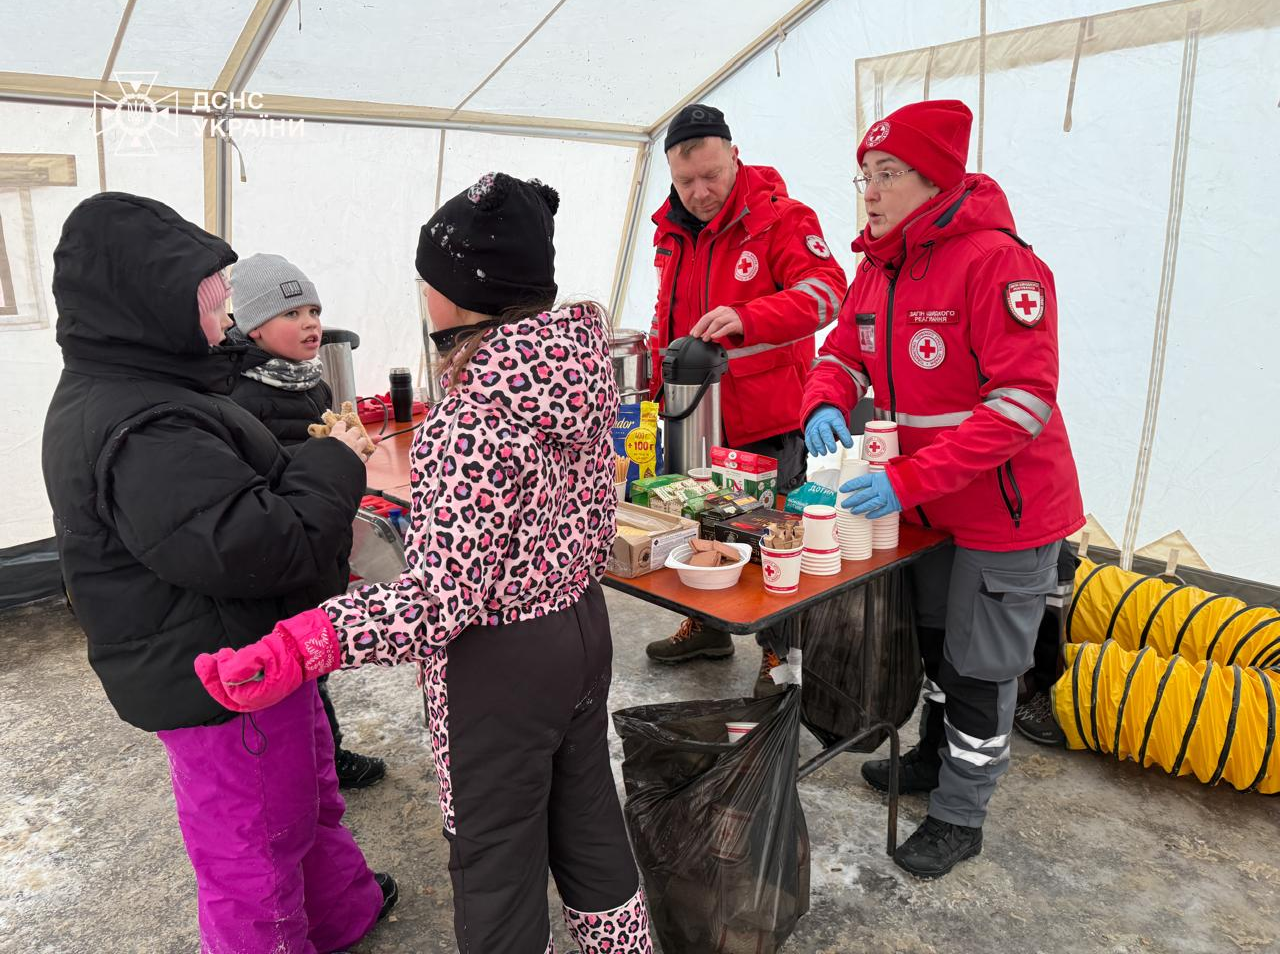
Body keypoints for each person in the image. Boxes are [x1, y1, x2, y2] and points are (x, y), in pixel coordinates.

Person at [197, 173, 653, 953]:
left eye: (426, 281)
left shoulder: (476, 416)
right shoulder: (573, 373)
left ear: (455, 294)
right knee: (587, 817)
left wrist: (307, 640)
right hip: (581, 627)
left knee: (496, 860)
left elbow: (441, 601)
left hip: (501, 664)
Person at [41, 192, 395, 952]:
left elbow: (233, 490)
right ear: (150, 307)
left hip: (252, 650)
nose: (223, 325)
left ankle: (341, 912)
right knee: (253, 849)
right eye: (210, 308)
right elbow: (258, 545)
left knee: (307, 798)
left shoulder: (158, 385)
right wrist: (333, 461)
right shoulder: (144, 424)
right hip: (215, 675)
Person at [801, 100, 1085, 879]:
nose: (871, 190)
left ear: (937, 180)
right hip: (923, 509)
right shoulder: (879, 264)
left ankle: (962, 814)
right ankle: (931, 757)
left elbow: (1020, 406)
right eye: (865, 175)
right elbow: (842, 352)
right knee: (932, 646)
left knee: (981, 669)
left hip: (1005, 512)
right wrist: (825, 397)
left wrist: (906, 479)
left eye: (889, 174)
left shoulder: (999, 263)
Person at [643, 103, 847, 688]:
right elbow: (667, 317)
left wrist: (748, 316)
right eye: (686, 181)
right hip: (694, 417)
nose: (700, 192)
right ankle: (704, 627)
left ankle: (778, 654)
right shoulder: (671, 229)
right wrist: (659, 391)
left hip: (768, 419)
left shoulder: (782, 219)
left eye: (711, 175)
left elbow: (829, 292)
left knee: (771, 534)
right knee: (695, 525)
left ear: (735, 156)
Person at [228, 252, 388, 789]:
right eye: (292, 313)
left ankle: (324, 754)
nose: (311, 323)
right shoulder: (238, 395)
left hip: (319, 532)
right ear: (253, 325)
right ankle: (319, 761)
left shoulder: (309, 382)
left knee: (313, 656)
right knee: (294, 660)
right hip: (283, 540)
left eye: (314, 310)